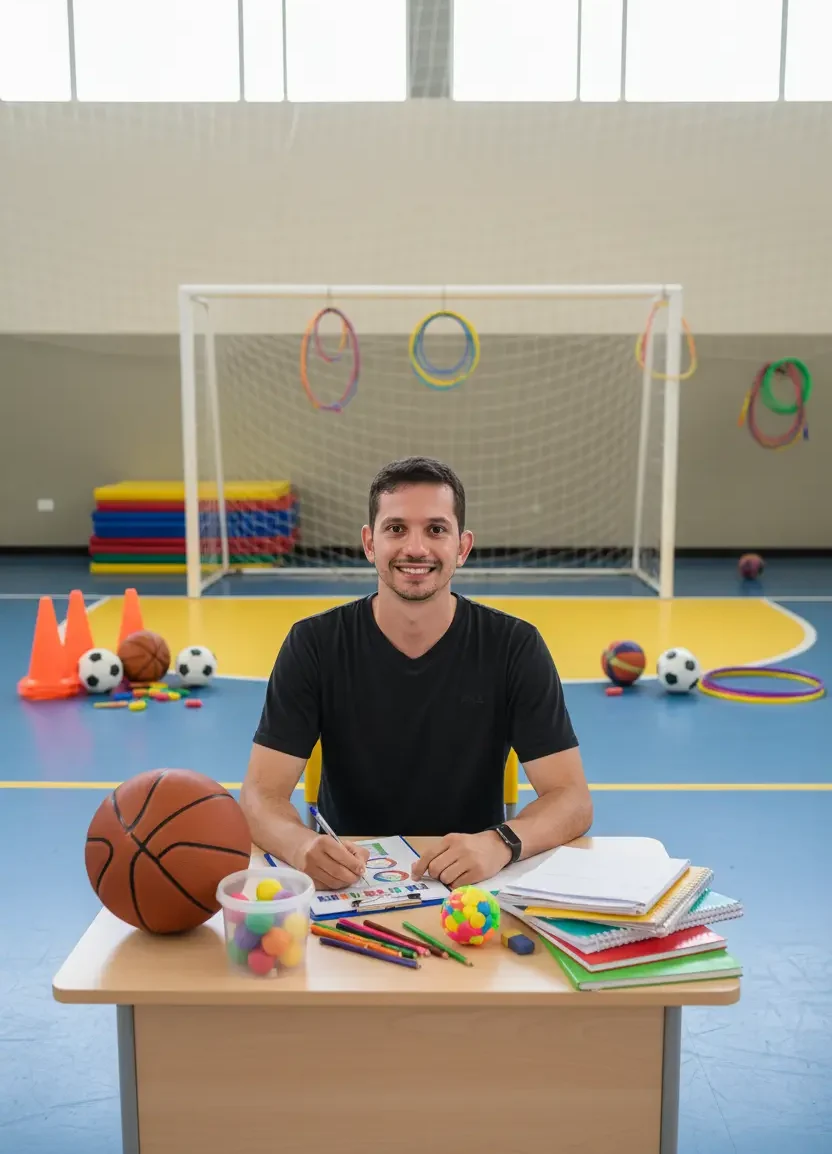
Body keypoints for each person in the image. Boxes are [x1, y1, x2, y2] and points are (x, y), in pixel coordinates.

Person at [240, 456, 592, 891]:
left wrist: (500, 843)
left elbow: (571, 799)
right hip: (349, 886)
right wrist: (301, 846)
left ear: (462, 547)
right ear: (369, 543)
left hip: (470, 889)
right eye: (396, 528)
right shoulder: (313, 644)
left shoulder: (514, 646)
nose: (416, 548)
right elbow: (260, 796)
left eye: (436, 530)